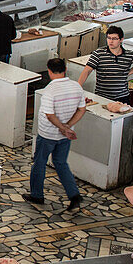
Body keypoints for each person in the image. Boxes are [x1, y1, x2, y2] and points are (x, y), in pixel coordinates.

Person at [24, 58, 86, 209]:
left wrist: (63, 128)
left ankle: (37, 195)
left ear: (49, 72)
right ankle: (74, 195)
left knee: (39, 163)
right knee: (61, 163)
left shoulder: (50, 91)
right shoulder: (77, 87)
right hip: (65, 136)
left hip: (47, 135)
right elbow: (81, 109)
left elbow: (50, 115)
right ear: (65, 69)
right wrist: (68, 127)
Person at [78, 26, 133, 103]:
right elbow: (87, 70)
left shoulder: (129, 55)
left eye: (114, 39)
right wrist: (78, 87)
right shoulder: (98, 53)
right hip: (102, 96)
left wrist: (129, 72)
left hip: (123, 97)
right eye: (109, 38)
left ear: (121, 39)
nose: (111, 41)